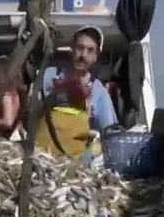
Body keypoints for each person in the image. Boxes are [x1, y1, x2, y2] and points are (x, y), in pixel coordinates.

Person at [35, 25, 117, 159]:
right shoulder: (48, 76)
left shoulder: (99, 92)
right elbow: (30, 112)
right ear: (71, 50)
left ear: (96, 57)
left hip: (74, 164)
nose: (83, 55)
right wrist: (54, 96)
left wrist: (91, 149)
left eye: (90, 50)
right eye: (80, 48)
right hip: (41, 157)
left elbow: (109, 134)